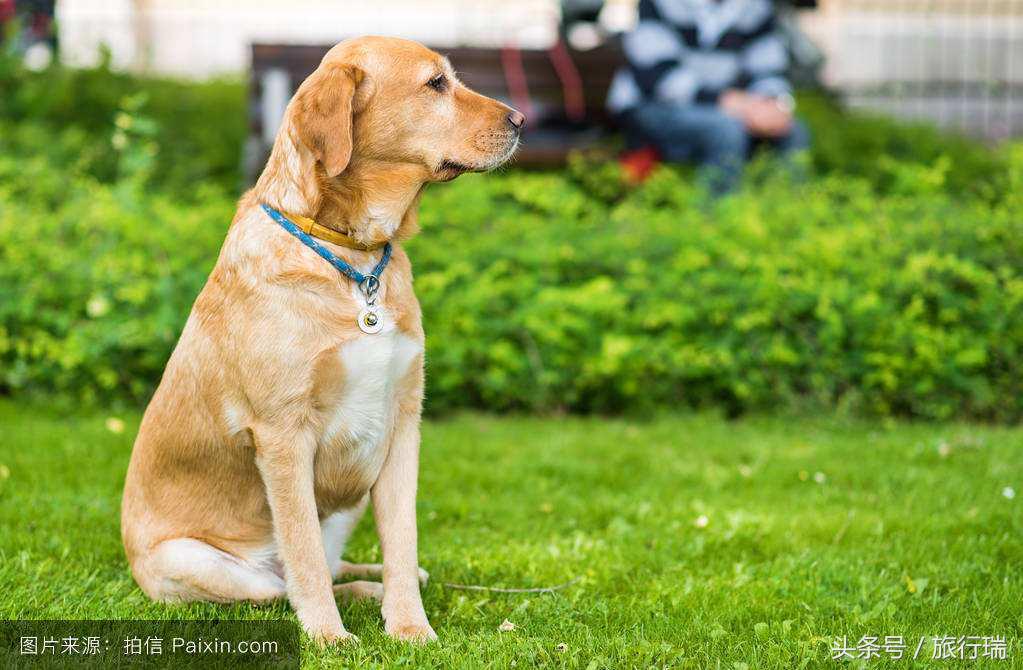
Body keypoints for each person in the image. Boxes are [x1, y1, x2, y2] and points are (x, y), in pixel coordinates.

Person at [608, 0, 809, 193]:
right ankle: (715, 218)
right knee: (726, 130)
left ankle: (780, 216)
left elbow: (769, 69)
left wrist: (772, 103)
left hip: (726, 110)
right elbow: (659, 75)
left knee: (792, 130)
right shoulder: (659, 3)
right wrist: (729, 102)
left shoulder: (755, 6)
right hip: (651, 106)